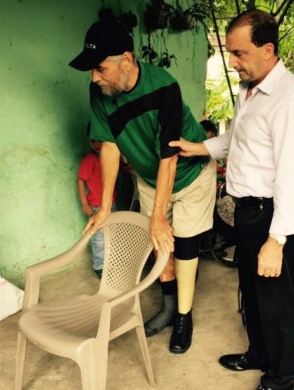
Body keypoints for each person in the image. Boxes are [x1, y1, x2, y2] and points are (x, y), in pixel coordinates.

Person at [170, 9, 294, 390]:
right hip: (249, 212)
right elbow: (237, 140)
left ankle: (282, 379)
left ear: (268, 49)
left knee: (277, 302)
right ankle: (259, 353)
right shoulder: (250, 90)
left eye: (239, 54)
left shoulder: (291, 101)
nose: (232, 63)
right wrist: (197, 147)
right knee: (251, 291)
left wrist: (277, 239)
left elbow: (292, 176)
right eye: (231, 54)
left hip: (275, 217)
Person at [69, 19, 216, 354]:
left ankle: (183, 316)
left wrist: (159, 217)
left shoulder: (164, 87)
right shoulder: (101, 93)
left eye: (100, 68)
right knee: (158, 242)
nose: (94, 77)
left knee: (184, 244)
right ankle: (167, 308)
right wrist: (105, 205)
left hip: (189, 173)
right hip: (151, 178)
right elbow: (109, 146)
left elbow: (170, 156)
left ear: (127, 60)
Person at [76, 133, 116, 279]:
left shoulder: (110, 158)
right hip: (97, 206)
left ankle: (110, 262)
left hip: (112, 204)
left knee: (111, 234)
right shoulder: (89, 160)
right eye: (93, 141)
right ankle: (99, 266)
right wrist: (84, 203)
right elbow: (80, 180)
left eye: (100, 141)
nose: (97, 144)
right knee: (98, 237)